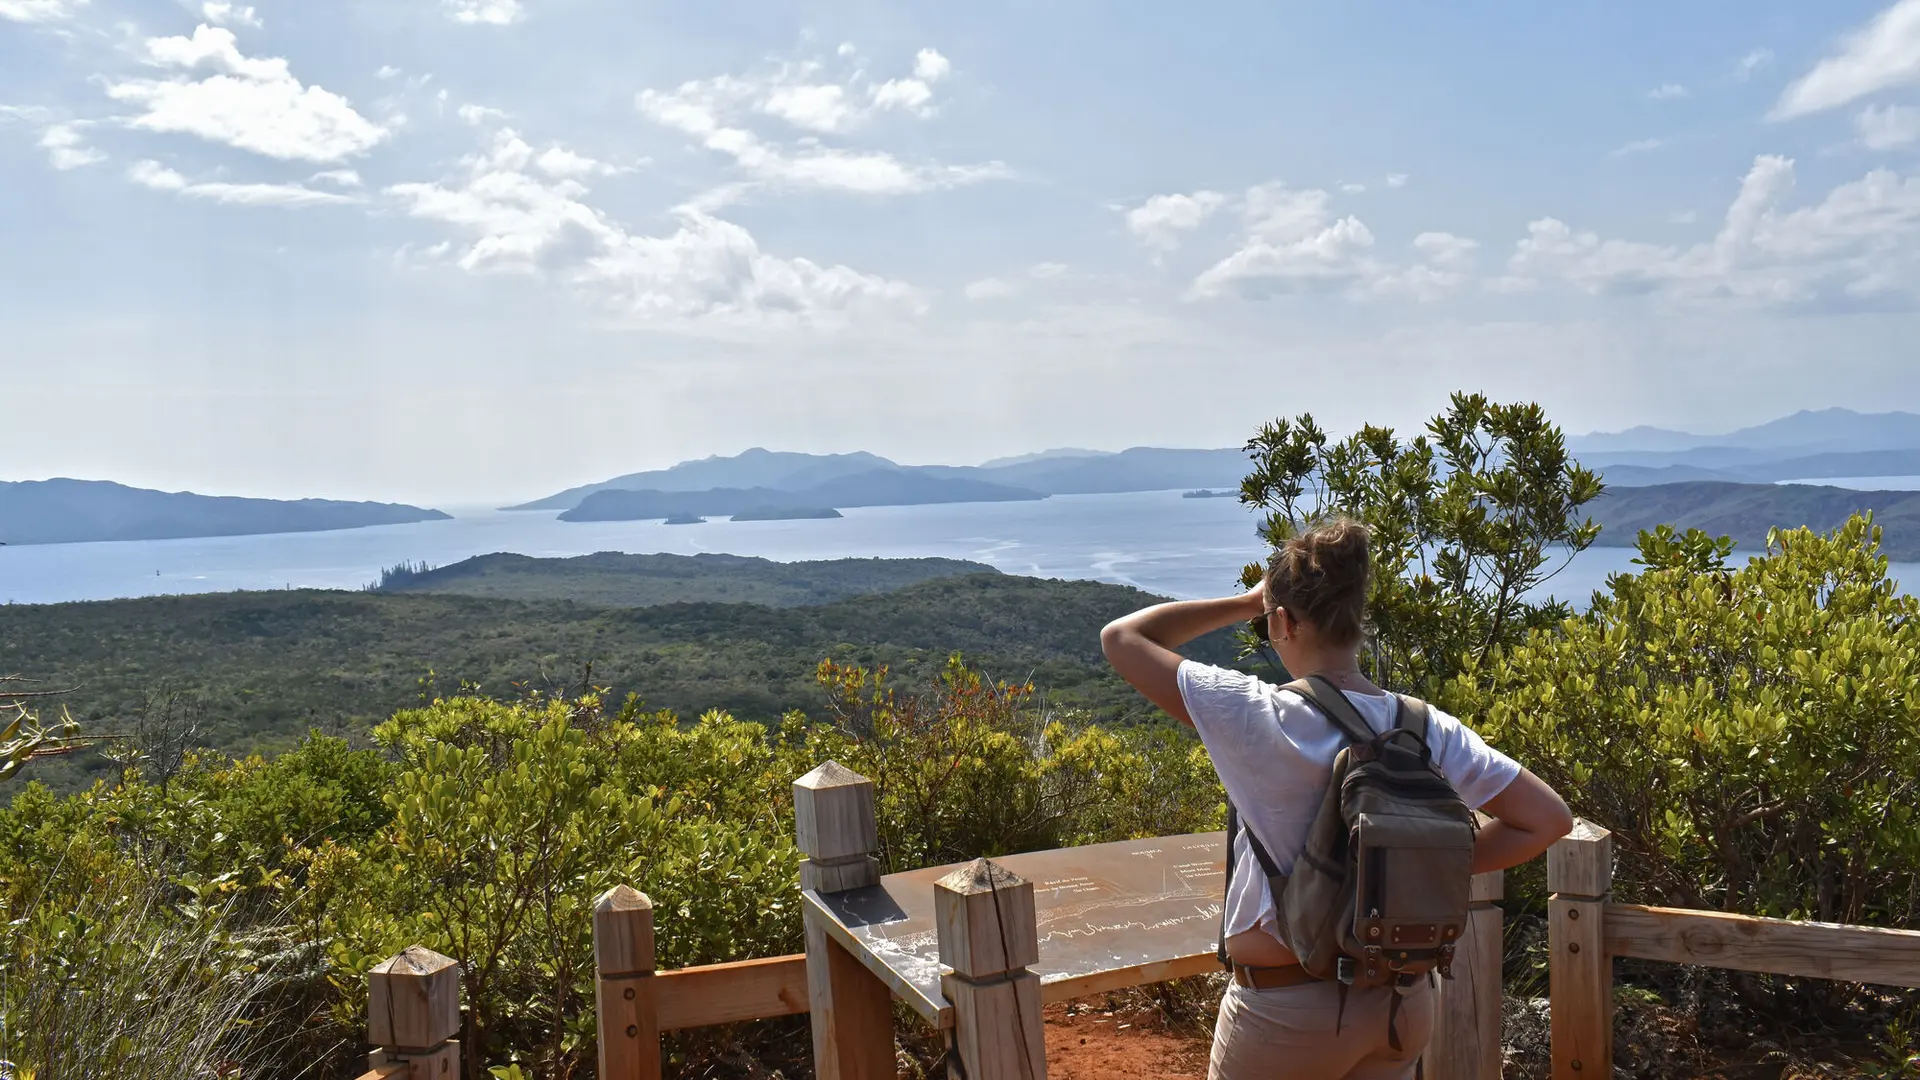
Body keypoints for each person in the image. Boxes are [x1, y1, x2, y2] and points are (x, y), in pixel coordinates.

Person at [1100, 516, 1573, 1080]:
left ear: (1281, 622)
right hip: (1402, 1001)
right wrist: (1407, 867)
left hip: (1286, 1014)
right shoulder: (1424, 727)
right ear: (1355, 619)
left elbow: (1122, 638)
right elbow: (1547, 820)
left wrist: (1248, 602)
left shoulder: (1254, 714)